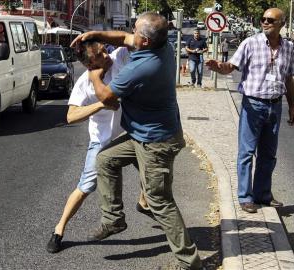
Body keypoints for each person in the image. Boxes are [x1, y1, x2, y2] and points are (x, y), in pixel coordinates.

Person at [71, 12, 202, 270]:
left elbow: (107, 98)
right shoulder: (162, 45)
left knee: (160, 201)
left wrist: (95, 73)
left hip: (156, 143)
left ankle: (190, 261)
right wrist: (94, 34)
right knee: (105, 159)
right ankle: (114, 220)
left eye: (135, 30)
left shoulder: (141, 67)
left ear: (144, 41)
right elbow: (122, 37)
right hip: (142, 134)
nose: (130, 32)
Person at [46, 40, 150, 253]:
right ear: (90, 64)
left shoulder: (119, 59)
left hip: (130, 133)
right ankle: (59, 229)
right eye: (100, 55)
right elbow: (71, 116)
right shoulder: (84, 82)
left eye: (105, 49)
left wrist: (96, 34)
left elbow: (132, 39)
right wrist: (101, 104)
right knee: (85, 188)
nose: (107, 55)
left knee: (152, 171)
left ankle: (143, 202)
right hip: (101, 142)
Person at [205, 8, 294, 214]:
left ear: (282, 23)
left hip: (275, 105)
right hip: (253, 104)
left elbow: (289, 78)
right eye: (262, 19)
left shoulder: (288, 48)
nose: (264, 22)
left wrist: (292, 106)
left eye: (270, 20)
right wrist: (218, 66)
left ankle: (263, 195)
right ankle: (245, 197)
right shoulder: (250, 43)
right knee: (246, 153)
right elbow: (231, 66)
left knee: (268, 154)